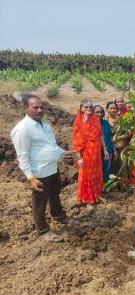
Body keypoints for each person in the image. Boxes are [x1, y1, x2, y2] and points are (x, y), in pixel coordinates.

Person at [11, 94, 77, 242]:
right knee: (40, 201)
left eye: (42, 107)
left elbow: (51, 146)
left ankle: (59, 216)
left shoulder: (44, 124)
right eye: (36, 107)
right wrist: (31, 178)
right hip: (39, 172)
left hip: (52, 168)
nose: (40, 110)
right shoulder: (23, 129)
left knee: (55, 195)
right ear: (26, 109)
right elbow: (22, 156)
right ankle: (42, 230)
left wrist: (62, 153)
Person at [73, 99, 108, 209]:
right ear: (81, 108)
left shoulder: (95, 119)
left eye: (90, 107)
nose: (89, 109)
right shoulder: (78, 122)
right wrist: (79, 157)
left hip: (96, 152)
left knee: (96, 173)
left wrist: (105, 150)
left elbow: (100, 135)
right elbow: (76, 140)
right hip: (85, 153)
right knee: (86, 175)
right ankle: (88, 200)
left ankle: (97, 195)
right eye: (86, 107)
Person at [106, 101, 129, 190]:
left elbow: (128, 131)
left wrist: (121, 136)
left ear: (117, 109)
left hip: (122, 145)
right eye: (110, 108)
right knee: (112, 166)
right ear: (107, 109)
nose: (112, 110)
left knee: (123, 165)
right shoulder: (105, 121)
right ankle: (113, 187)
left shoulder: (122, 119)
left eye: (114, 108)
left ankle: (123, 186)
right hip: (111, 147)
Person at [93, 105, 116, 184]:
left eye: (101, 112)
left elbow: (110, 136)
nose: (99, 114)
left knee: (107, 168)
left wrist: (113, 149)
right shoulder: (90, 124)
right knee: (97, 169)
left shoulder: (105, 123)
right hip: (95, 151)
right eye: (97, 112)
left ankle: (107, 186)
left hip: (107, 149)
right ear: (93, 113)